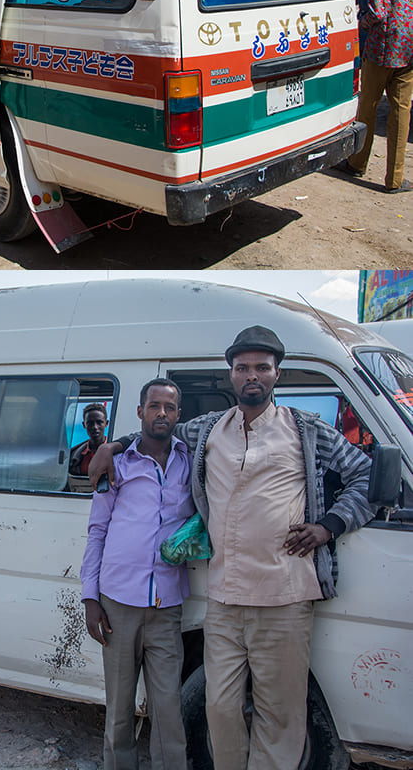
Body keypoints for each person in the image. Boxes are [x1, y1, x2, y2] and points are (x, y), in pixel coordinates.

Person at [90, 326, 373, 770]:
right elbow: (157, 429)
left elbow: (366, 475)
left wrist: (329, 526)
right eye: (243, 368)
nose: (252, 375)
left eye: (262, 367)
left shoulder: (306, 429)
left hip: (285, 596)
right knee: (220, 709)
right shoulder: (207, 430)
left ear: (277, 374)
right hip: (223, 601)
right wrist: (114, 444)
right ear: (232, 376)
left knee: (280, 716)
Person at [81, 380, 191, 770]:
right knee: (120, 711)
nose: (162, 413)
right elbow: (97, 531)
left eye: (170, 408)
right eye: (154, 406)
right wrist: (90, 599)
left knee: (169, 710)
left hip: (167, 606)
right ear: (141, 412)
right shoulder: (117, 464)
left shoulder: (190, 461)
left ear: (178, 415)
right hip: (117, 605)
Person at [342, 0, 413, 192]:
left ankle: (357, 163)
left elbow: (378, 13)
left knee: (368, 108)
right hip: (408, 56)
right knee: (401, 113)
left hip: (381, 53)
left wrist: (362, 22)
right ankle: (394, 180)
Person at [69, 402, 109, 476]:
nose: (95, 427)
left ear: (106, 423)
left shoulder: (117, 453)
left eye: (99, 422)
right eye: (90, 423)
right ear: (84, 425)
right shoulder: (73, 455)